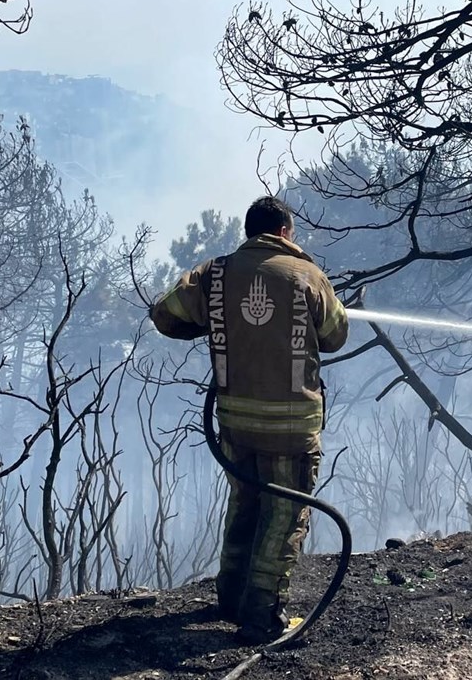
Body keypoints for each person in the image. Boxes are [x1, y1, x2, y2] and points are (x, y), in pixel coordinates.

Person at [150, 196, 349, 643]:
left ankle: (232, 598)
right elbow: (336, 335)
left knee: (245, 504)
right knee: (283, 516)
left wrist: (215, 324)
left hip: (235, 424)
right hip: (292, 429)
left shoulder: (214, 275)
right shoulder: (307, 275)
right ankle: (262, 616)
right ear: (283, 232)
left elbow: (164, 315)